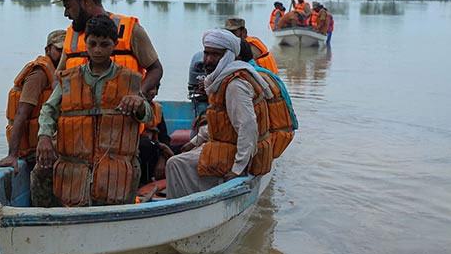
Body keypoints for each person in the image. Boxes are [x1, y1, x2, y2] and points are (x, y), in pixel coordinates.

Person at [36, 15, 153, 207]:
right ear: (86, 43)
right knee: (40, 172)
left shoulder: (128, 80)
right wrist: (44, 136)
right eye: (93, 44)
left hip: (115, 172)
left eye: (104, 44)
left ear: (114, 44)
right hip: (75, 169)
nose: (98, 50)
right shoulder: (69, 79)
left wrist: (139, 104)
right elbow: (48, 109)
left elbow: (148, 114)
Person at [165, 29, 274, 199]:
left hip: (241, 155)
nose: (208, 60)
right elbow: (223, 123)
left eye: (215, 55)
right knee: (183, 156)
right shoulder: (222, 79)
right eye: (206, 53)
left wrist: (237, 169)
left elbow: (248, 128)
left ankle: (180, 208)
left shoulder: (235, 85)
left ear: (228, 56)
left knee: (175, 164)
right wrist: (195, 142)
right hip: (228, 145)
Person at [52, 0, 163, 95]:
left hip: (122, 111)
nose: (66, 14)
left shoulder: (130, 30)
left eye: (68, 7)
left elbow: (155, 69)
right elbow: (57, 78)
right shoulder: (71, 35)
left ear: (86, 1)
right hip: (79, 111)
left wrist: (139, 95)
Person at [0, 30, 66, 207]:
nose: (62, 54)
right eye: (59, 50)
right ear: (48, 50)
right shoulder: (39, 73)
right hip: (36, 150)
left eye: (66, 50)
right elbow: (22, 113)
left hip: (51, 144)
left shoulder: (63, 73)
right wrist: (12, 155)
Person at [138, 83, 174, 184]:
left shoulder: (157, 109)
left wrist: (162, 158)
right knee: (146, 146)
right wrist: (160, 146)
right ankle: (143, 183)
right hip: (142, 152)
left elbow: (165, 138)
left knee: (183, 149)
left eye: (156, 88)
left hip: (156, 150)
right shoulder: (133, 108)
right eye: (150, 88)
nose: (154, 92)